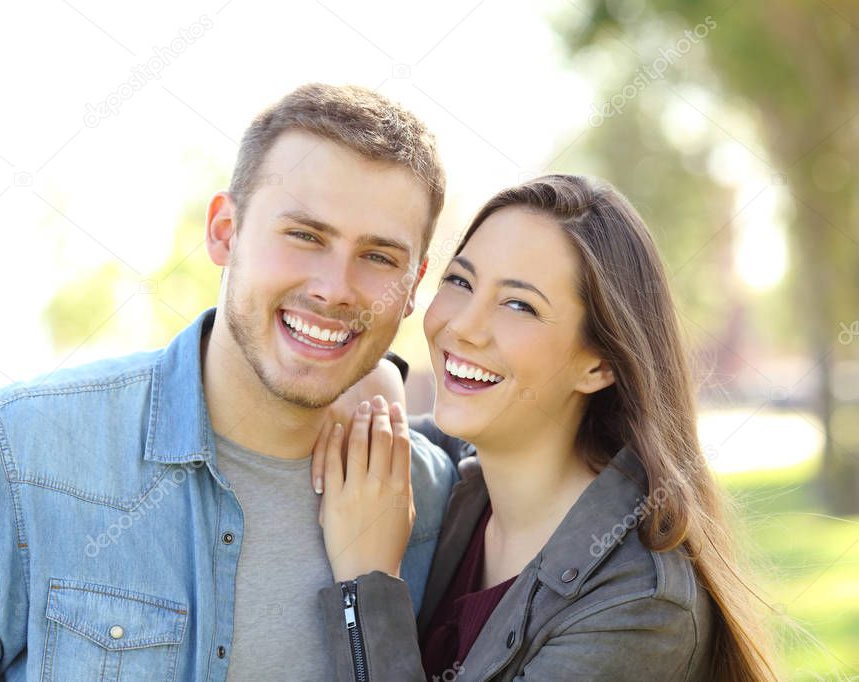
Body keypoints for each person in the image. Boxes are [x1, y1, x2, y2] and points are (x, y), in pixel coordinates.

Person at [0, 83, 458, 681]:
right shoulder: (16, 454)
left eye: (379, 257)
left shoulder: (434, 504)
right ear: (225, 231)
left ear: (413, 286)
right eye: (304, 236)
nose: (334, 288)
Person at [313, 174, 779, 681]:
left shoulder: (638, 607)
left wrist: (366, 585)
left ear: (600, 365)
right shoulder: (454, 479)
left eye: (519, 305)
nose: (464, 325)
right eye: (461, 281)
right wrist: (377, 380)